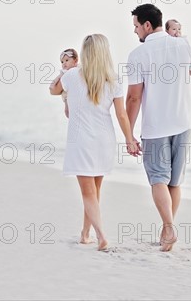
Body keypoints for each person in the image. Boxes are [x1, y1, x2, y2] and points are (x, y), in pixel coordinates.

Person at [125, 4, 191, 252]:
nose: (136, 31)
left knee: (158, 179)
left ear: (147, 25)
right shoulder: (182, 44)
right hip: (183, 123)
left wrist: (128, 134)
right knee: (174, 182)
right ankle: (166, 232)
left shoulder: (139, 54)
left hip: (157, 127)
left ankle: (169, 226)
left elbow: (134, 98)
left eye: (137, 26)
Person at [50, 34, 140, 251]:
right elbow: (121, 115)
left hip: (81, 140)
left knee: (88, 192)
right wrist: (130, 140)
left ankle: (101, 236)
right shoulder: (113, 80)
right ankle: (85, 234)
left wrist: (63, 70)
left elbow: (53, 90)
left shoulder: (71, 76)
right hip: (104, 140)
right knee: (95, 191)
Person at [58, 48, 78, 118]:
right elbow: (57, 82)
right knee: (67, 109)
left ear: (75, 60)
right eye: (62, 62)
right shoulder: (63, 72)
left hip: (76, 94)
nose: (64, 63)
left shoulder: (79, 69)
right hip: (66, 95)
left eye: (67, 60)